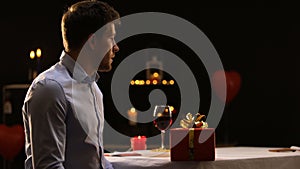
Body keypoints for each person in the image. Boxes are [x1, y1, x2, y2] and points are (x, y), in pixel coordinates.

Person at [22, 0, 120, 168]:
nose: (116, 47)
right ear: (93, 41)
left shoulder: (94, 88)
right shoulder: (50, 88)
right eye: (110, 38)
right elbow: (48, 166)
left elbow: (96, 162)